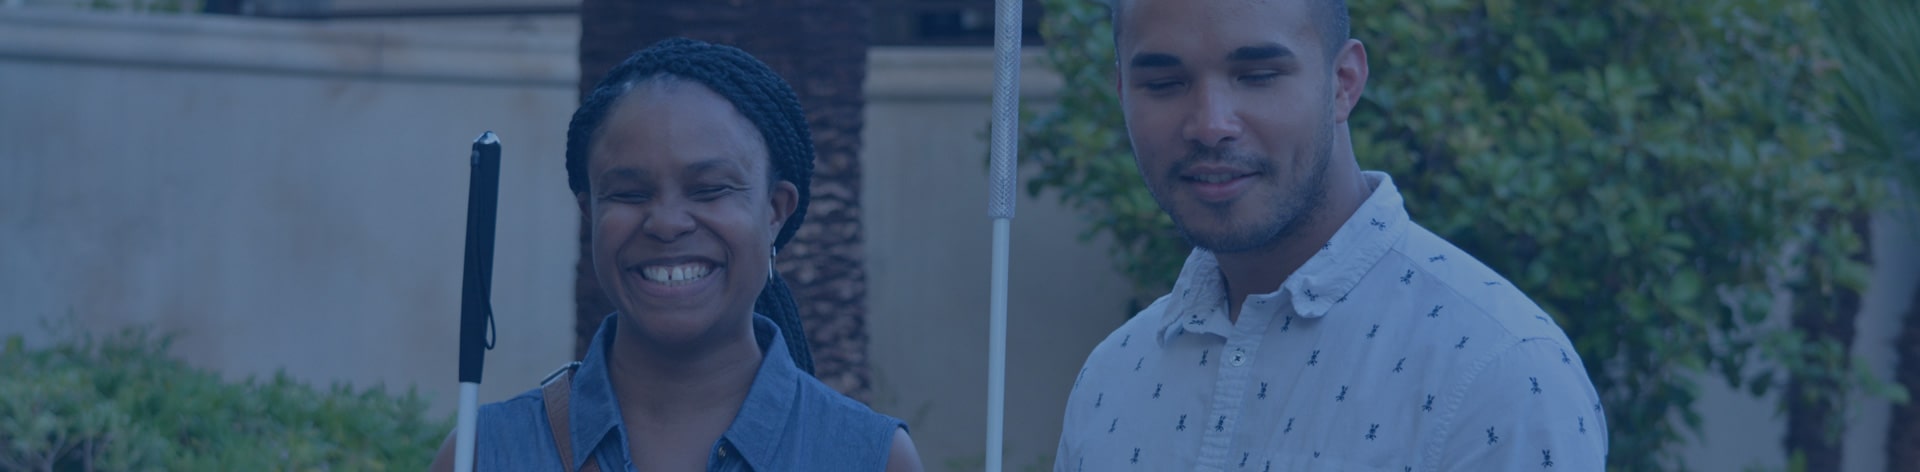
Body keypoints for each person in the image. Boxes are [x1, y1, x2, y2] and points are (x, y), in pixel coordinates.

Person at [1053, 0, 1607, 470]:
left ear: (1343, 83)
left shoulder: (1500, 372)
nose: (1210, 124)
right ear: (1123, 91)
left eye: (1258, 75)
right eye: (1165, 83)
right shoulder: (1111, 378)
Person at [431, 37, 923, 472]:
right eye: (627, 193)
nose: (666, 223)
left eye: (709, 189)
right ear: (591, 213)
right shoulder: (484, 454)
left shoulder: (870, 458)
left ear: (776, 210)